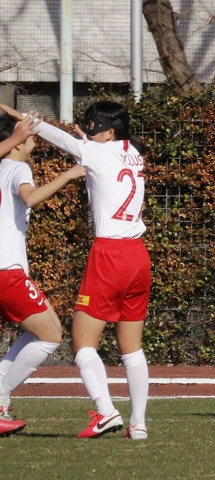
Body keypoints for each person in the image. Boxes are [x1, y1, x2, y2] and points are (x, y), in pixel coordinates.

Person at [1, 101, 151, 440]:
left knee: (82, 342)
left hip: (109, 254)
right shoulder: (132, 151)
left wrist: (25, 120)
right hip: (138, 254)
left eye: (93, 130)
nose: (89, 135)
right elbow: (93, 147)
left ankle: (105, 412)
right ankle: (138, 424)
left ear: (109, 132)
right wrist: (87, 138)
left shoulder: (95, 154)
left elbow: (59, 139)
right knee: (132, 347)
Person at [0, 111, 85, 436]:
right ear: (16, 139)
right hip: (8, 270)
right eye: (30, 134)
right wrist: (70, 174)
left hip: (6, 270)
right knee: (50, 334)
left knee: (39, 331)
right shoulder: (18, 167)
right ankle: (2, 396)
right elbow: (31, 198)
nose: (35, 138)